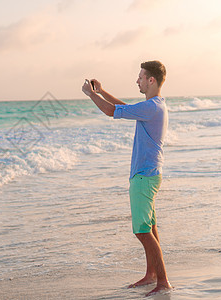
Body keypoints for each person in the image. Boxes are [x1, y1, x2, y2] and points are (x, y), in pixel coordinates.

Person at [82, 60, 172, 296]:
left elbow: (112, 111)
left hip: (144, 176)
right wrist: (101, 91)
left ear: (151, 80)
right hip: (149, 175)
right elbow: (125, 108)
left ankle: (163, 281)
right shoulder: (154, 106)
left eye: (141, 77)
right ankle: (152, 274)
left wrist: (90, 95)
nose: (137, 80)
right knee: (149, 228)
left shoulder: (152, 107)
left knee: (142, 231)